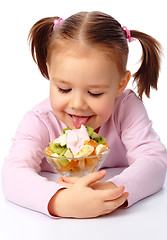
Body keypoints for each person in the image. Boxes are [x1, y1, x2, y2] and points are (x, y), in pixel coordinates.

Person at [2, 11, 167, 218]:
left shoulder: (126, 109)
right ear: (50, 73)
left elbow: (154, 160)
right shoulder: (40, 120)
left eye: (95, 93)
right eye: (63, 89)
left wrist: (115, 189)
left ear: (120, 84)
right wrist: (60, 200)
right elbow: (13, 174)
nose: (78, 104)